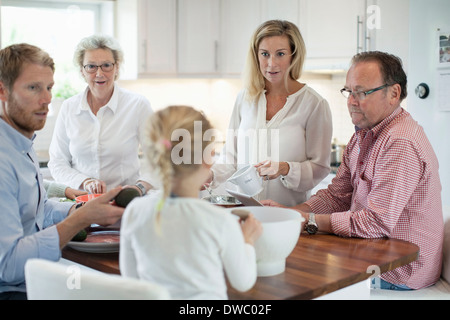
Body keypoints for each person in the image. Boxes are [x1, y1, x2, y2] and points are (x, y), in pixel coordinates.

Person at [263, 51, 444, 290]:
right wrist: (290, 215)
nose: (351, 101)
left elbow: (375, 223)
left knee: (290, 277)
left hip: (399, 273)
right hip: (373, 252)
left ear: (394, 93)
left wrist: (308, 221)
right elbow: (337, 195)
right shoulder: (362, 135)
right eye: (348, 91)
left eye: (361, 92)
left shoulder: (400, 142)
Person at [0, 43, 124, 300]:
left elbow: (38, 211)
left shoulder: (21, 143)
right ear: (3, 90)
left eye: (49, 88)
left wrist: (78, 209)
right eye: (33, 87)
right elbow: (8, 266)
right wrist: (78, 220)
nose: (46, 99)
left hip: (32, 279)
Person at [120, 106, 263, 299]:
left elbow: (131, 279)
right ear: (208, 158)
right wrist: (247, 240)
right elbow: (243, 281)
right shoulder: (219, 221)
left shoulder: (135, 211)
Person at [210, 20, 332, 207]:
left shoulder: (314, 104)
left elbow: (321, 167)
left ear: (293, 56)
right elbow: (230, 157)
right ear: (256, 55)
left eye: (280, 54)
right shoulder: (245, 98)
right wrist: (210, 175)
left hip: (287, 214)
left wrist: (286, 168)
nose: (271, 63)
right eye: (265, 54)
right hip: (244, 213)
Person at [48, 35, 153, 196]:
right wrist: (85, 181)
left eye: (106, 65)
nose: (99, 73)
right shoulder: (69, 107)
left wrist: (139, 188)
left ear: (116, 67)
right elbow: (57, 162)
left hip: (125, 203)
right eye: (91, 66)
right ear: (82, 71)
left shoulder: (137, 105)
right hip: (81, 204)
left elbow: (159, 160)